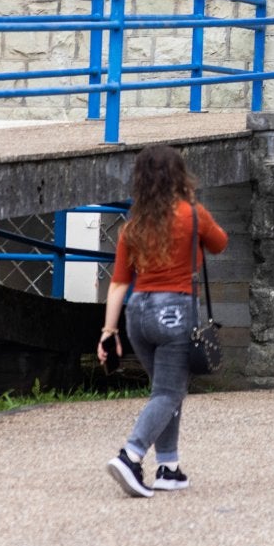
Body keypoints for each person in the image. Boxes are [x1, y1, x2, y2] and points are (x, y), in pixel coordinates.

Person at [98, 145, 228, 498]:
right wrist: (196, 216)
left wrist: (108, 333)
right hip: (174, 311)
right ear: (178, 176)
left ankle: (168, 467)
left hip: (136, 314)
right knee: (170, 391)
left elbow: (119, 283)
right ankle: (131, 455)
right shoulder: (192, 214)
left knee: (166, 391)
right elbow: (220, 244)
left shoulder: (133, 226)